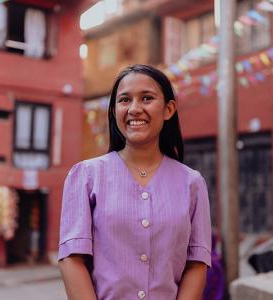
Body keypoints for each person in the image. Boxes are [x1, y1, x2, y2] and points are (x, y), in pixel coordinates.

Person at [58, 64, 212, 300]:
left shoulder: (191, 183)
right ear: (114, 111)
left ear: (169, 109)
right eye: (124, 100)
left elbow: (196, 263)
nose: (134, 109)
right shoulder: (86, 176)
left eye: (147, 98)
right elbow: (72, 259)